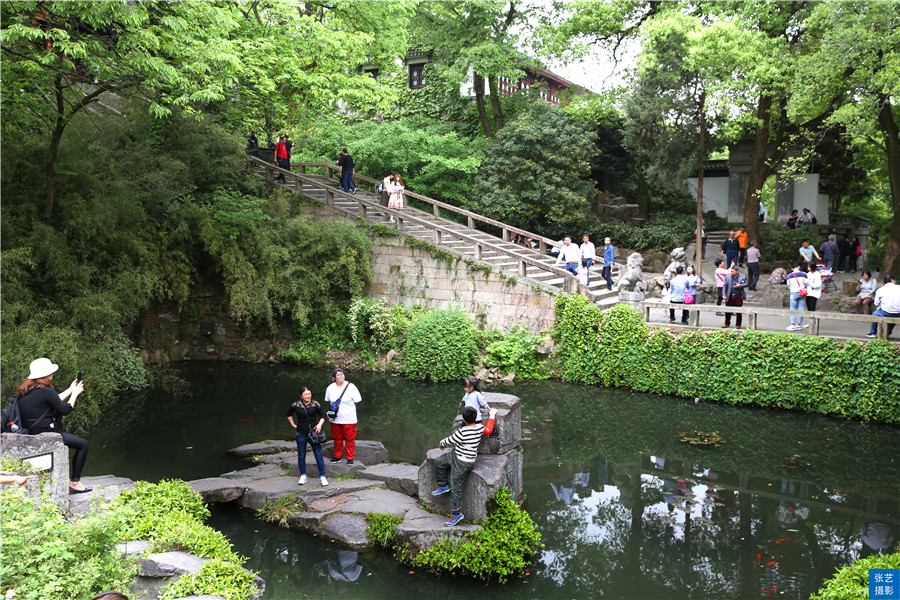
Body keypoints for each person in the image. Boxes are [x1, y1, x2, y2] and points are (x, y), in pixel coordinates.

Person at [17, 358, 89, 493]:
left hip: (31, 433)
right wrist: (75, 394)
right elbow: (65, 410)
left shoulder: (27, 389)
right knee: (83, 444)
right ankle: (75, 483)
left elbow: (54, 401)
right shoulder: (45, 391)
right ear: (47, 375)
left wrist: (70, 389)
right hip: (46, 434)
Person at [431, 406, 498, 527]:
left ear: (463, 419)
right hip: (458, 456)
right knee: (439, 461)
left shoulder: (462, 432)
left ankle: (456, 514)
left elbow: (448, 441)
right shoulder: (479, 428)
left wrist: (441, 444)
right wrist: (492, 414)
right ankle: (443, 485)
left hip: (463, 463)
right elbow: (489, 429)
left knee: (456, 487)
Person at [286, 386, 328, 487]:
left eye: (309, 394)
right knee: (301, 455)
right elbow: (288, 414)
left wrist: (319, 424)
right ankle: (303, 475)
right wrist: (293, 425)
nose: (308, 396)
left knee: (318, 455)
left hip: (314, 433)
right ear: (301, 395)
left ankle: (322, 476)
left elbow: (323, 415)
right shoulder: (296, 405)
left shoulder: (315, 404)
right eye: (305, 394)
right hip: (301, 432)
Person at [324, 368, 362, 464]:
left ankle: (350, 458)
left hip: (349, 418)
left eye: (342, 374)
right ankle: (337, 456)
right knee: (337, 438)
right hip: (335, 419)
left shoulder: (351, 387)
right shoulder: (330, 388)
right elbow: (327, 401)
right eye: (338, 375)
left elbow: (357, 401)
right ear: (334, 378)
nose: (341, 376)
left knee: (350, 439)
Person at [866, 274, 900, 338]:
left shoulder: (880, 290)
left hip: (886, 312)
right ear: (892, 280)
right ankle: (888, 332)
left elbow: (876, 303)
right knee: (892, 315)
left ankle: (873, 332)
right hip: (898, 312)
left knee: (875, 314)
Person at [785, 263, 809, 331]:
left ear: (792, 269)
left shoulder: (789, 276)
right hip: (802, 293)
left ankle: (793, 324)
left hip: (793, 292)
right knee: (801, 308)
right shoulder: (804, 274)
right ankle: (799, 325)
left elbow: (788, 285)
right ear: (799, 267)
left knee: (792, 308)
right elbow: (807, 283)